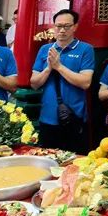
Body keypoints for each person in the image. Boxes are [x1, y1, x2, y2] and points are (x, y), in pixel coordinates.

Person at [31, 9, 95, 154]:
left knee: (75, 161)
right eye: (58, 26)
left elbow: (85, 82)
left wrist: (59, 66)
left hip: (74, 117)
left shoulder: (85, 49)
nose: (62, 30)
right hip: (48, 117)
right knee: (48, 160)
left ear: (75, 26)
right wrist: (48, 68)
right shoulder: (45, 49)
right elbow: (34, 83)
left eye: (67, 26)